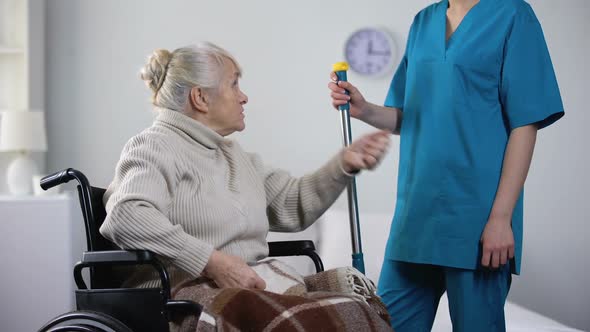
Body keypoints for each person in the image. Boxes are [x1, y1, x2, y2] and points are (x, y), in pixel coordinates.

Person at [328, 0, 564, 331]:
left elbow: (525, 124)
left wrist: (501, 218)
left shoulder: (512, 15)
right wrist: (364, 108)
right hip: (416, 216)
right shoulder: (424, 21)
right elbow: (410, 116)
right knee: (387, 325)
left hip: (476, 218)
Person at [100, 42, 391, 294]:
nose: (244, 96)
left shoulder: (235, 157)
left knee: (361, 303)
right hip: (184, 294)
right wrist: (211, 262)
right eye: (234, 83)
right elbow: (126, 216)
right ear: (200, 97)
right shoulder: (155, 147)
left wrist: (343, 165)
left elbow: (294, 206)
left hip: (246, 288)